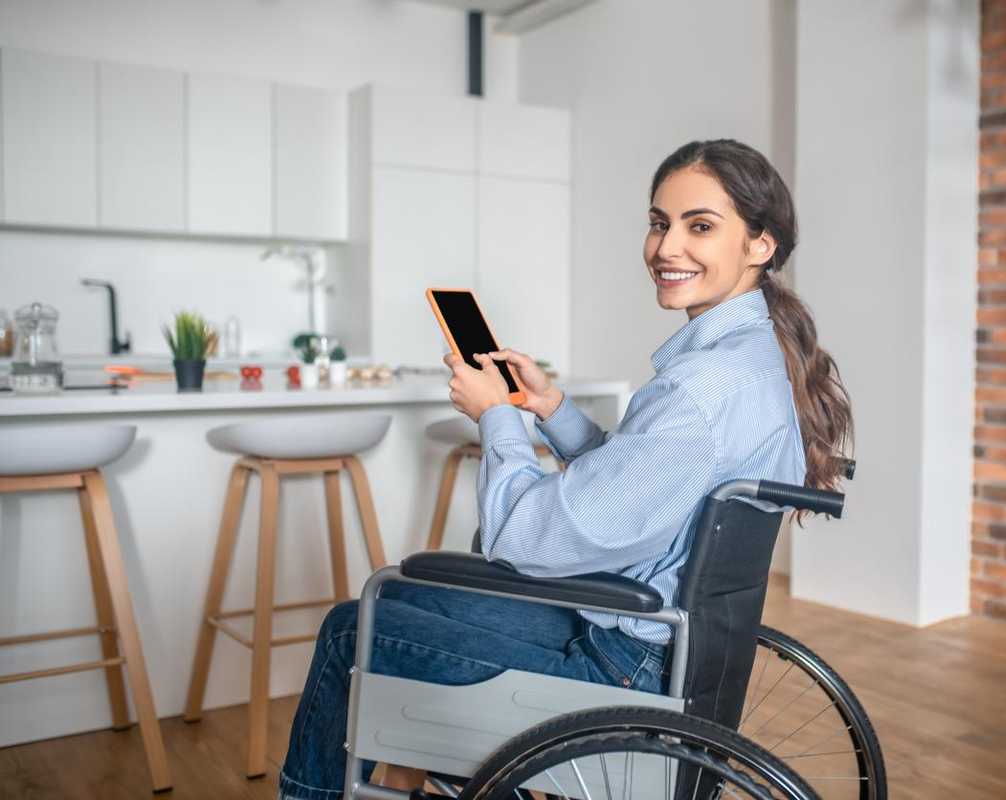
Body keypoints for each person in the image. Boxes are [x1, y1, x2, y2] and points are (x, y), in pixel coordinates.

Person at [277, 138, 853, 800]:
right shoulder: (754, 357)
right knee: (406, 600)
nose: (667, 248)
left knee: (356, 624)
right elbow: (645, 485)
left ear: (760, 244)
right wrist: (550, 407)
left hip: (620, 668)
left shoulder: (699, 391)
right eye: (659, 222)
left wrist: (497, 417)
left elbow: (523, 536)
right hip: (666, 646)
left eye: (700, 226)